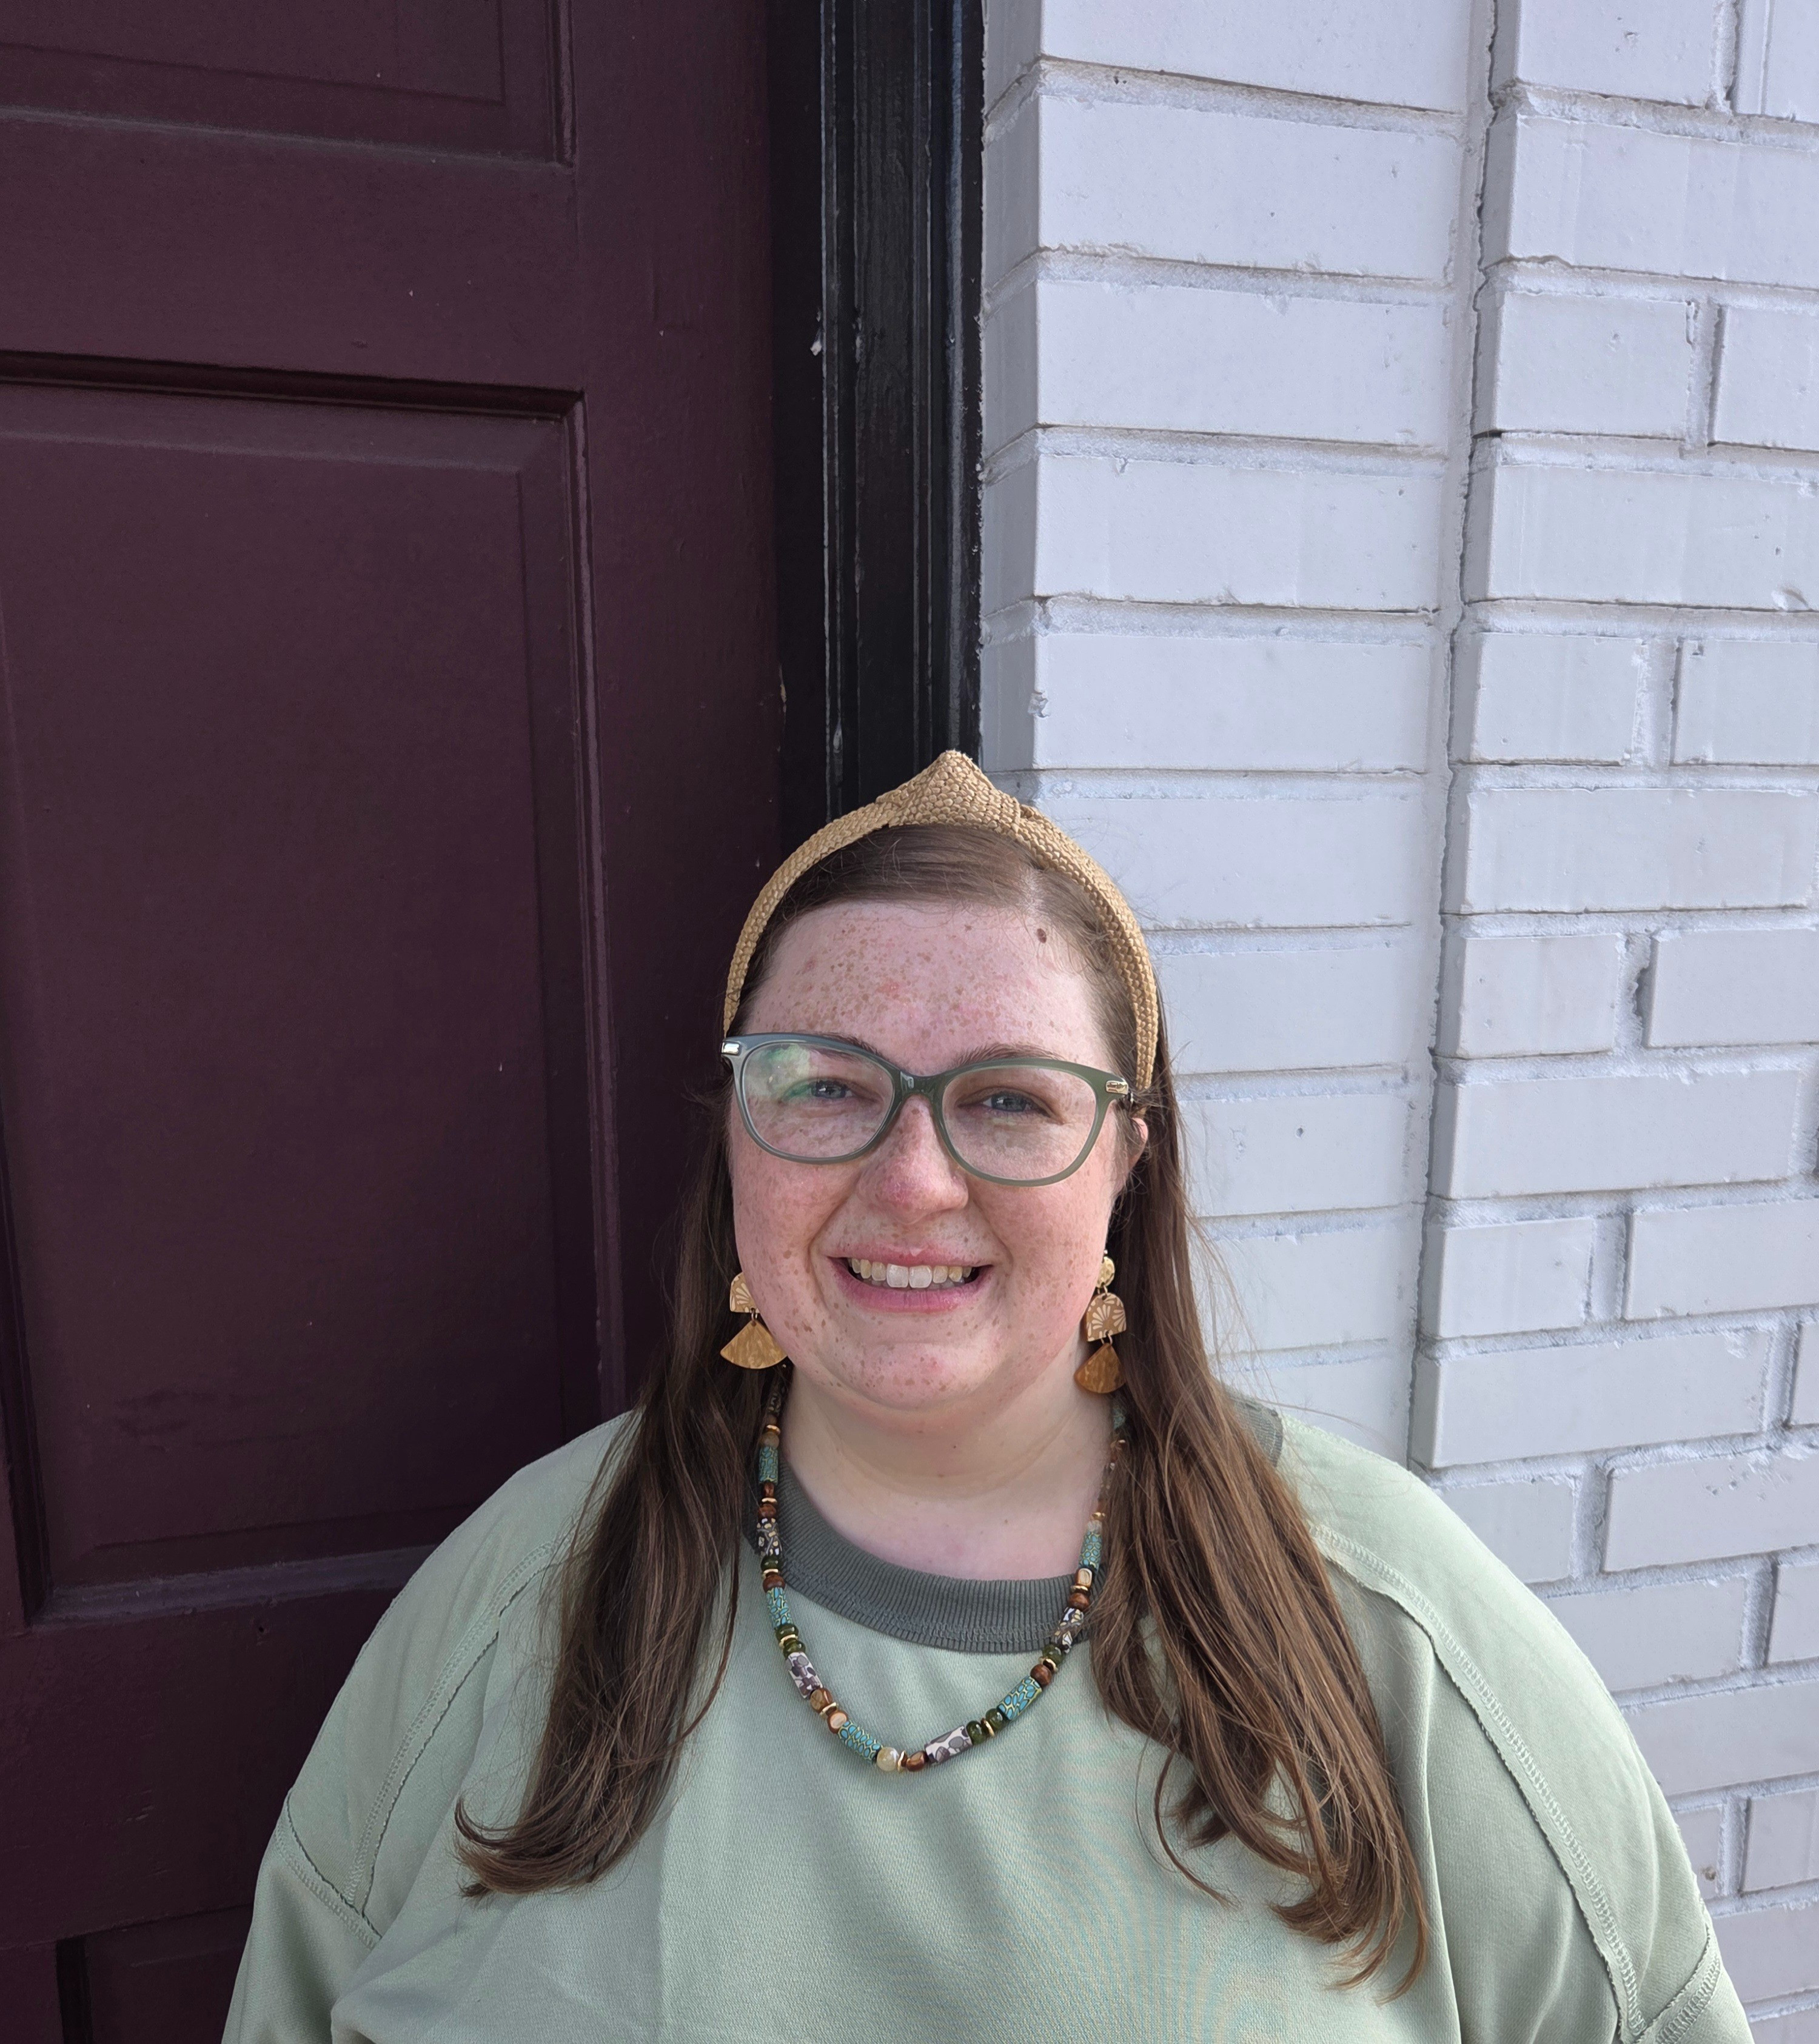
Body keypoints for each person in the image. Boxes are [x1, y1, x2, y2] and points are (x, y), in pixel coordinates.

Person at [226, 752, 1747, 2042]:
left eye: (1011, 1099)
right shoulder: (528, 1590)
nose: (908, 1179)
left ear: (1128, 1164)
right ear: (736, 1136)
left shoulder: (1391, 1630)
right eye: (823, 1081)